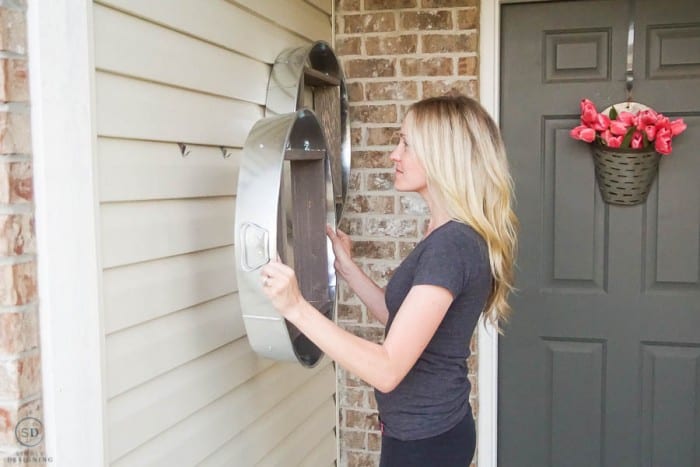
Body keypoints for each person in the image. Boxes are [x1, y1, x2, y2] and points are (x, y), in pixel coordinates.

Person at [260, 94, 518, 466]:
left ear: (441, 156)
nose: (394, 155)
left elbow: (387, 369)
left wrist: (295, 308)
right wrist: (347, 268)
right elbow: (401, 320)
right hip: (427, 432)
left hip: (426, 443)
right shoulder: (448, 233)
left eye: (406, 144)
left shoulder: (451, 245)